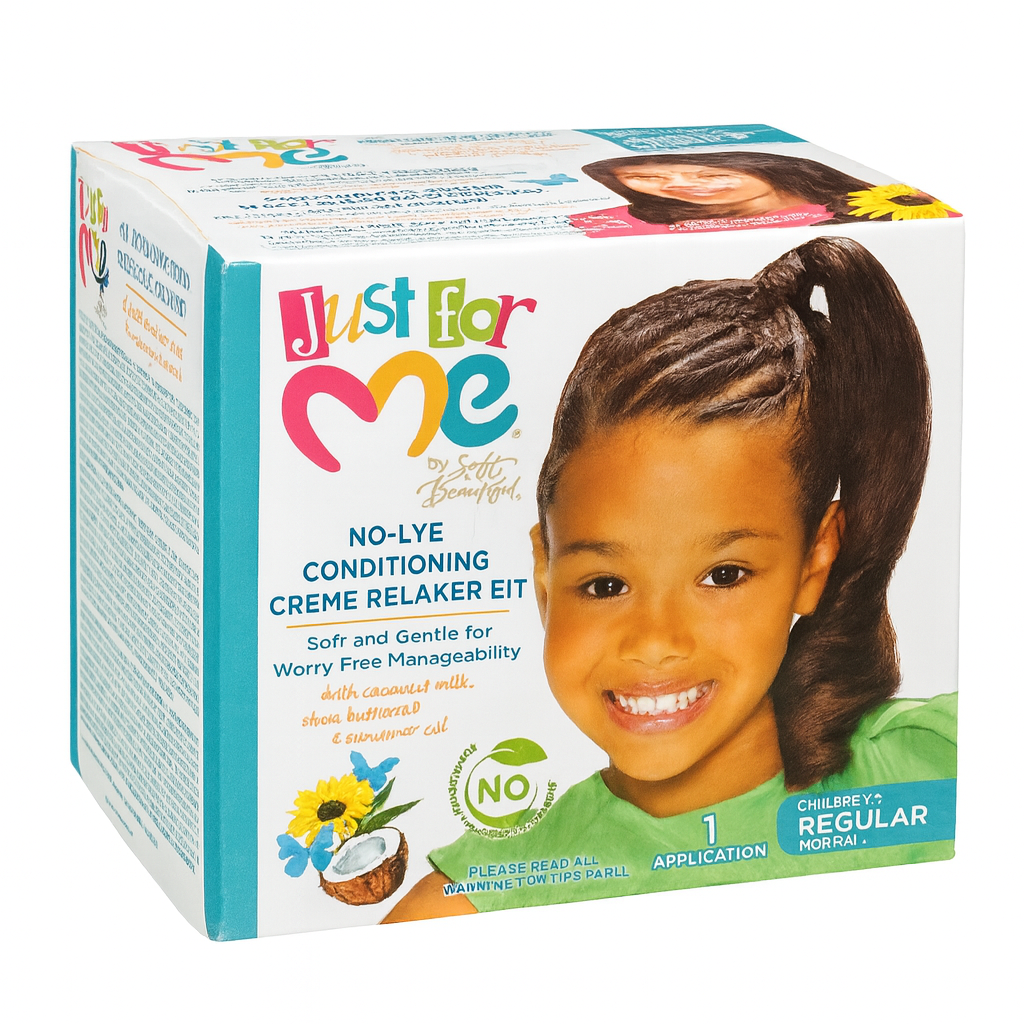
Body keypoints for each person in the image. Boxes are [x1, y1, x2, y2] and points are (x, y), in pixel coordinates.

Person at [384, 236, 956, 922]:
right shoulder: (475, 905)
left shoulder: (939, 766)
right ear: (545, 574)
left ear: (816, 561)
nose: (655, 641)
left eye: (723, 575)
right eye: (605, 585)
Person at [569, 152, 888, 236]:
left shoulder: (885, 205)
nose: (681, 185)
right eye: (645, 178)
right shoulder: (616, 224)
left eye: (711, 174)